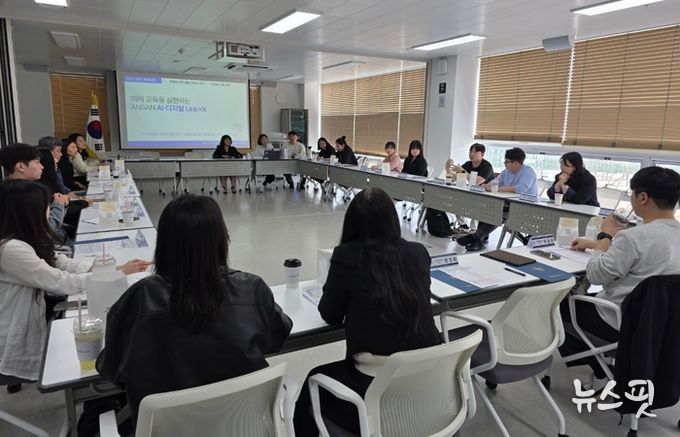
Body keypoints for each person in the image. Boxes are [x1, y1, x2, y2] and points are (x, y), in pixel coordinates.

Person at [96, 194, 292, 425]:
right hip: (240, 426)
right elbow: (276, 337)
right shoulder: (252, 288)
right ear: (222, 238)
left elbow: (112, 369)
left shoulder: (139, 298)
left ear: (164, 243)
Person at [293, 188, 441, 435]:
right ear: (392, 220)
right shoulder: (418, 252)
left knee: (313, 381)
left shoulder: (347, 256)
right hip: (428, 381)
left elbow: (330, 314)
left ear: (351, 223)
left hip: (375, 390)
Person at [0, 180, 147, 381]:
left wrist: (112, 268)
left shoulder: (26, 239)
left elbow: (63, 263)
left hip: (39, 314)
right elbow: (61, 282)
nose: (50, 210)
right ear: (27, 212)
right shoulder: (11, 250)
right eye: (47, 206)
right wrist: (116, 274)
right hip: (15, 336)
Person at [560, 166, 680, 387]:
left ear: (642, 197)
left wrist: (605, 235)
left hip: (623, 323)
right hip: (666, 326)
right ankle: (604, 366)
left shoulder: (633, 237)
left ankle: (600, 368)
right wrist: (597, 245)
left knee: (559, 307)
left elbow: (596, 275)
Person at [456, 147, 537, 251]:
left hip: (525, 207)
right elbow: (495, 181)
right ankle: (479, 238)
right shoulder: (506, 172)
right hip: (508, 203)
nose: (505, 164)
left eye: (506, 162)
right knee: (487, 207)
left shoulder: (528, 172)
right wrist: (487, 186)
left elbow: (520, 189)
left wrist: (498, 189)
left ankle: (476, 236)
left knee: (497, 211)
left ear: (515, 163)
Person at [0, 143, 70, 243]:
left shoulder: (8, 190)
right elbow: (44, 233)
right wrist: (59, 205)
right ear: (21, 166)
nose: (42, 167)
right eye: (37, 162)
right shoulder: (24, 195)